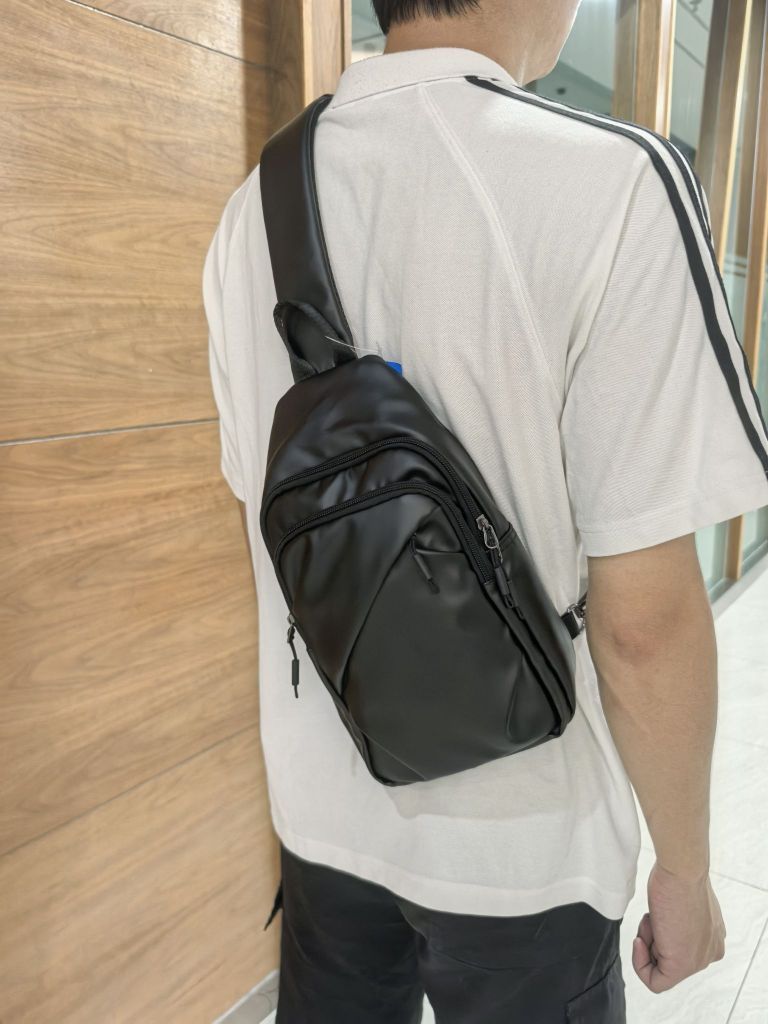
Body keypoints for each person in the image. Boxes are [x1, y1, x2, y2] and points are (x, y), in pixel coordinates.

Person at [202, 1, 768, 1020]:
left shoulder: (255, 209)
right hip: (527, 850)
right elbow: (643, 625)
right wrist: (685, 868)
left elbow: (263, 515)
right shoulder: (617, 184)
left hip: (324, 807)